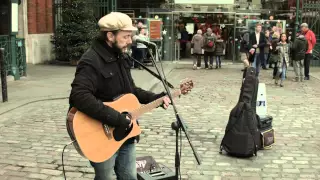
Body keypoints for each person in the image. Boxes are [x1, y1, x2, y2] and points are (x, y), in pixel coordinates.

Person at [68, 12, 171, 180]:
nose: (130, 41)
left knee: (129, 176)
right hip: (101, 133)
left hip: (126, 132)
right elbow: (79, 96)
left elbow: (132, 91)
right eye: (126, 36)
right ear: (110, 35)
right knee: (105, 178)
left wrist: (158, 97)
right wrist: (115, 118)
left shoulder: (121, 57)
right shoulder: (91, 60)